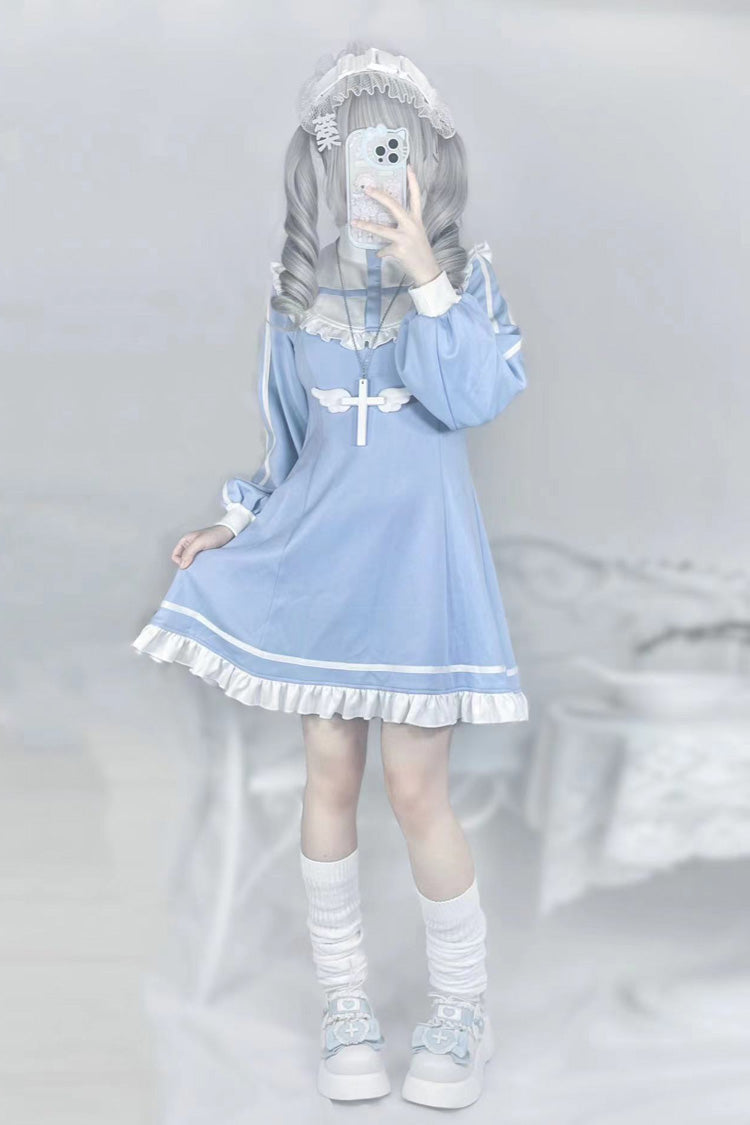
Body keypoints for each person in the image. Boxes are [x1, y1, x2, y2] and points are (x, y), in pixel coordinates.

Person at [131, 42, 529, 1109]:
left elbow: (473, 398)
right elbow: (289, 448)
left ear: (425, 163)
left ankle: (463, 1008)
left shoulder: (461, 288)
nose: (373, 170)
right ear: (322, 168)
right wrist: (236, 525)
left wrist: (425, 273)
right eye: (352, 153)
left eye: (390, 150)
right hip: (323, 567)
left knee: (417, 788)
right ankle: (344, 1005)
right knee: (331, 778)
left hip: (418, 576)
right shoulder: (295, 299)